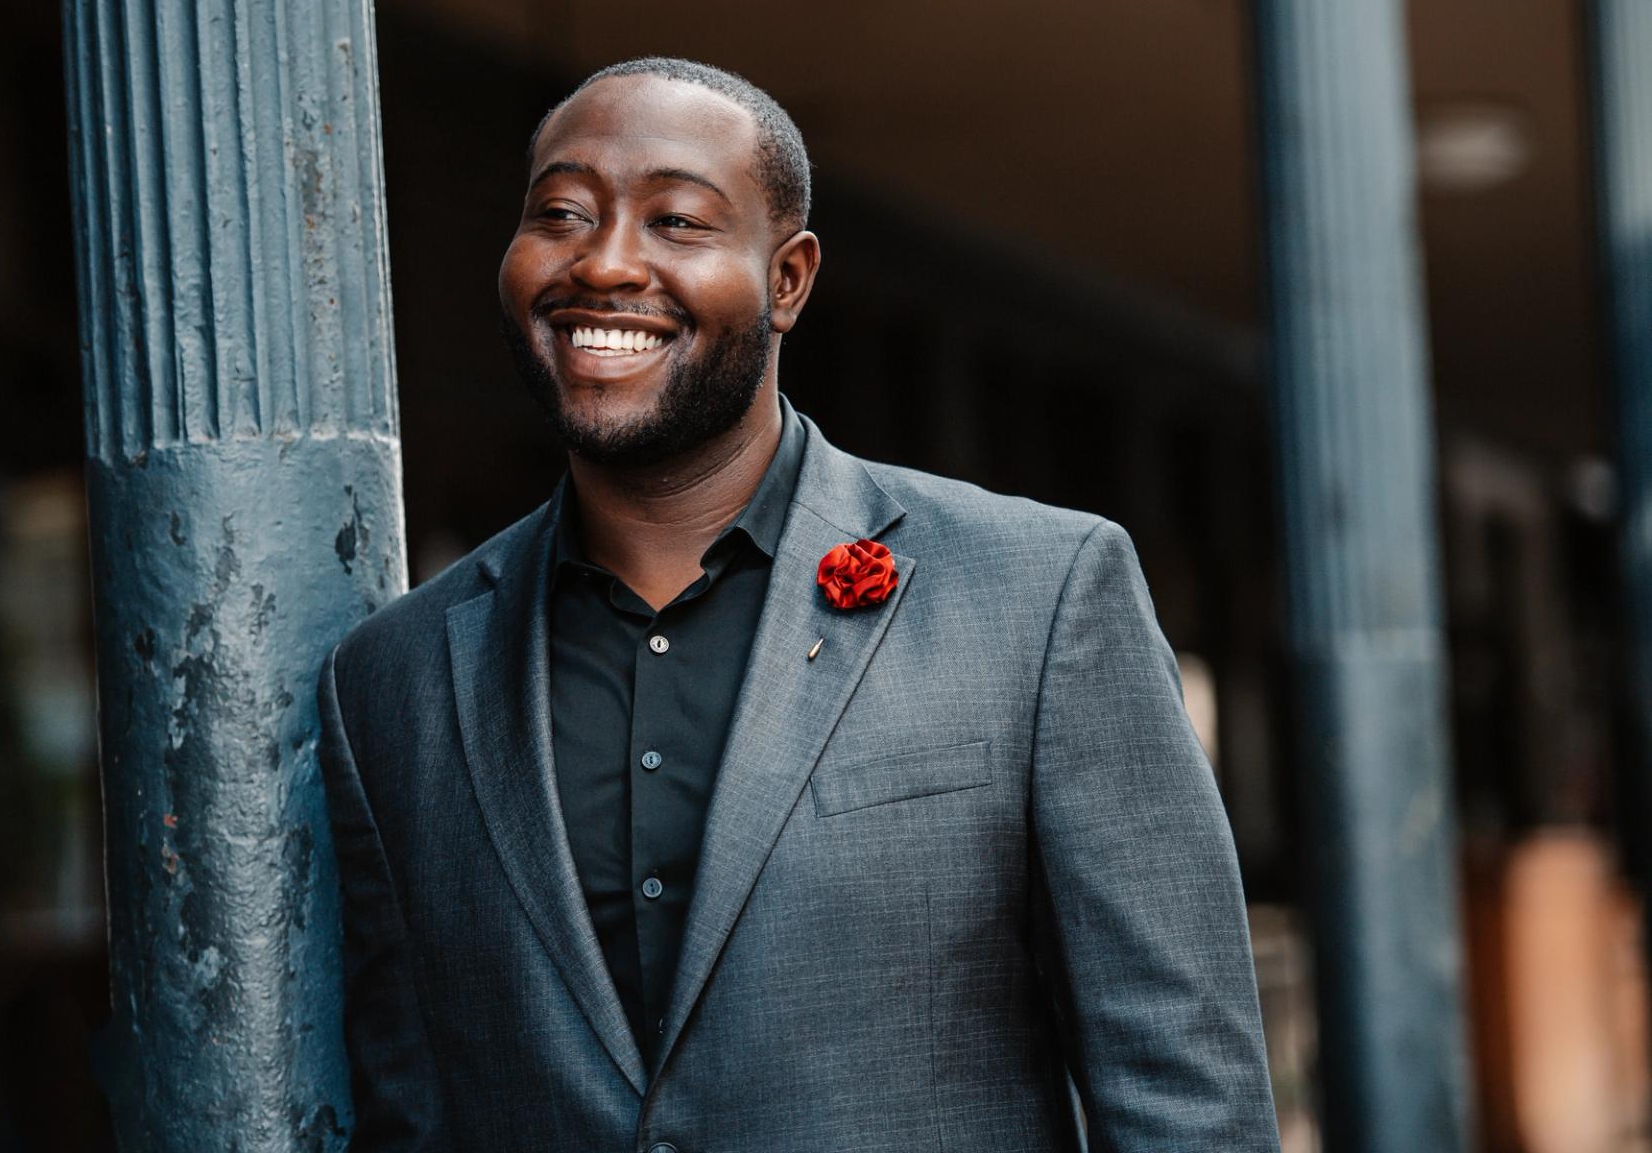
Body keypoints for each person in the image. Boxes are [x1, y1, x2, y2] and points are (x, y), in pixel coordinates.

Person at [317, 56, 1280, 1151]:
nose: (607, 260)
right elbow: (408, 1113)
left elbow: (1185, 1096)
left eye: (677, 220)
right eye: (561, 212)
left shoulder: (1040, 597)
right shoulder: (388, 681)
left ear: (788, 279)